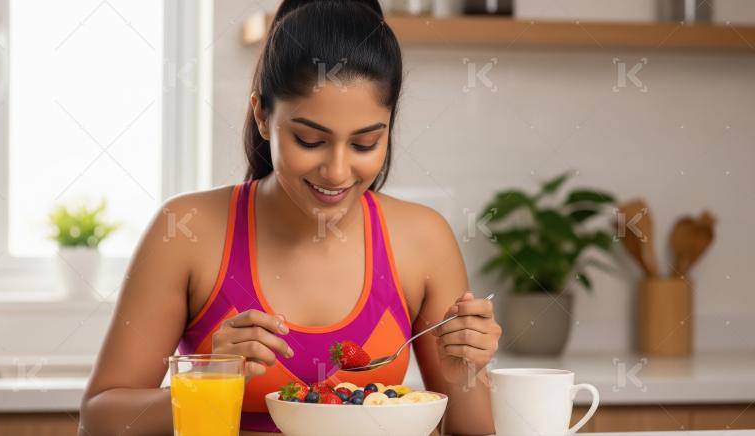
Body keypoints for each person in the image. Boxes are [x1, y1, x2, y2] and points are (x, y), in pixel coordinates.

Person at [79, 0, 502, 434]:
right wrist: (210, 385)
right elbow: (98, 420)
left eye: (364, 144)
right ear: (263, 115)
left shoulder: (424, 240)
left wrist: (465, 369)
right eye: (309, 140)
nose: (337, 172)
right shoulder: (187, 230)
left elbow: (469, 429)